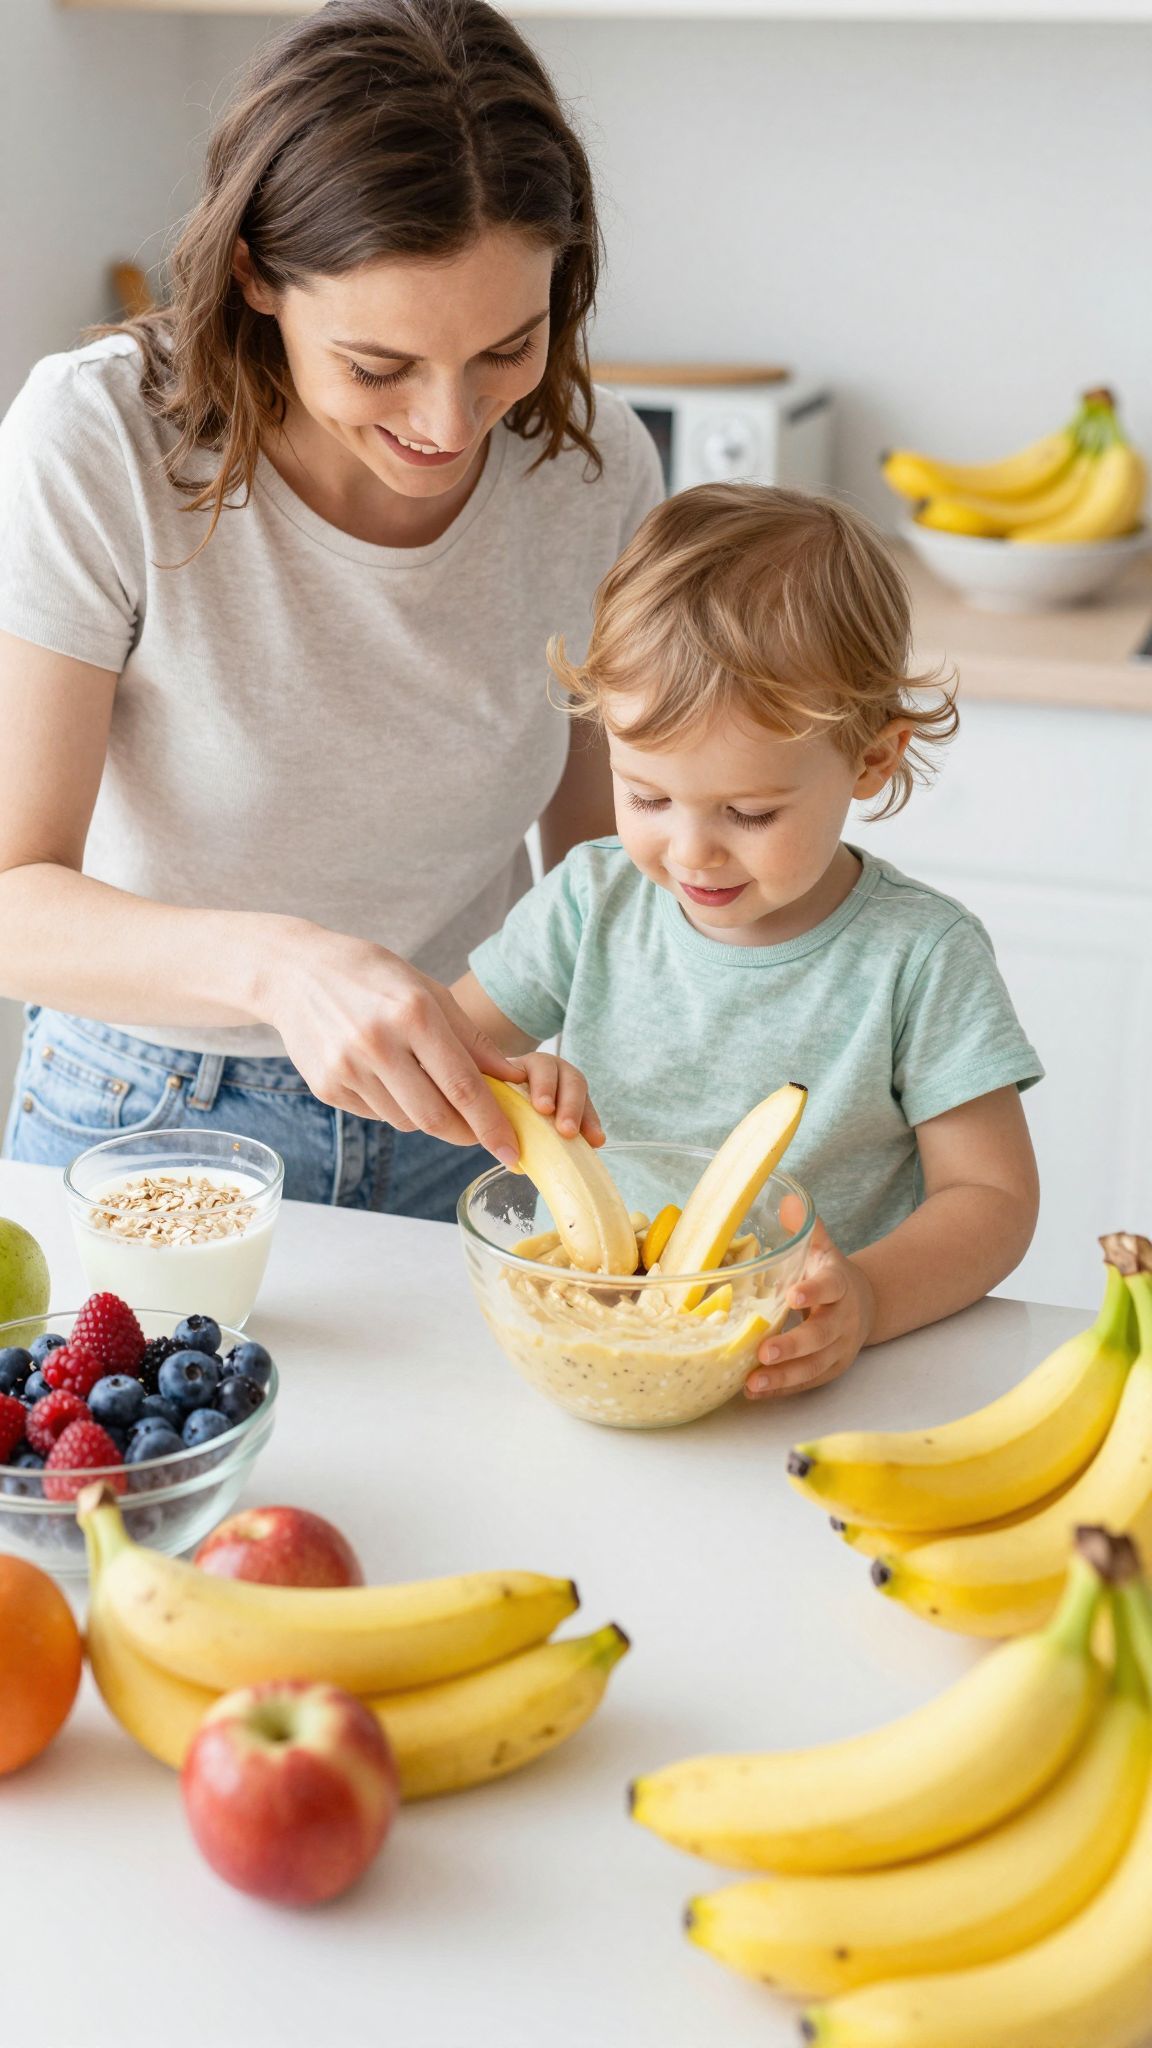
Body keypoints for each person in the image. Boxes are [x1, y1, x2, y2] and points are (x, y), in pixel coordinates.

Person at [0, 0, 661, 1213]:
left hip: (479, 1110)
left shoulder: (595, 469)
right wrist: (282, 965)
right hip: (150, 1113)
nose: (452, 427)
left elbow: (607, 864)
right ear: (254, 272)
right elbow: (10, 893)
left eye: (509, 349)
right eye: (378, 366)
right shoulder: (99, 440)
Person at [453, 484, 1043, 1397]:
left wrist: (868, 1300)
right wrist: (504, 1076)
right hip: (603, 1348)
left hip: (810, 1367)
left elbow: (993, 1200)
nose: (690, 851)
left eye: (750, 811)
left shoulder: (921, 956)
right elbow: (444, 1052)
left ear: (872, 759)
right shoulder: (592, 899)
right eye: (647, 797)